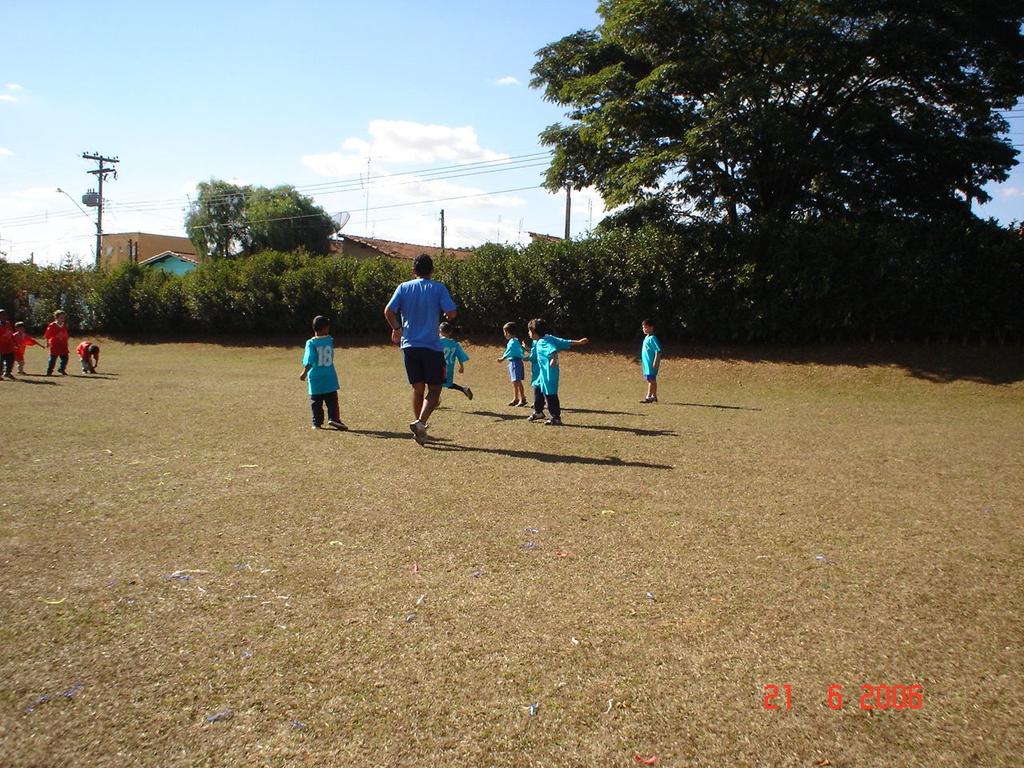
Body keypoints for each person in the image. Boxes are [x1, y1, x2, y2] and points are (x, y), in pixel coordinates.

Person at [384, 254, 457, 445]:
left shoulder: (404, 287)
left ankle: (420, 429)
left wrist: (397, 329)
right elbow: (451, 312)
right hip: (432, 346)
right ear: (432, 270)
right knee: (435, 390)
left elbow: (388, 311)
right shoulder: (438, 288)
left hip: (409, 346)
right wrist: (446, 316)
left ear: (414, 271)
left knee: (418, 389)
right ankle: (421, 422)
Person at [525, 318, 589, 426]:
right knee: (537, 388)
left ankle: (556, 417)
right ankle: (538, 412)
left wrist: (553, 358)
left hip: (550, 373)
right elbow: (563, 342)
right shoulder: (546, 338)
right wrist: (578, 342)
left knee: (550, 394)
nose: (528, 333)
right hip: (542, 373)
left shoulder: (543, 342)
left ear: (534, 332)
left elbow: (551, 349)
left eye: (529, 331)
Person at [299, 315, 347, 431]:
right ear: (325, 328)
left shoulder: (311, 343)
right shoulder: (329, 340)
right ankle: (334, 418)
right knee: (332, 400)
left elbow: (310, 358)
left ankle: (317, 422)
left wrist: (304, 372)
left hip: (316, 378)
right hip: (329, 376)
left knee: (316, 401)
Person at [439, 322, 473, 400]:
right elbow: (460, 355)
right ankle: (463, 389)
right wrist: (461, 366)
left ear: (439, 330)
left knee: (434, 384)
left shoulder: (437, 342)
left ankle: (435, 400)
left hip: (438, 367)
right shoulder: (455, 344)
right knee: (447, 384)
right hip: (449, 369)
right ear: (450, 332)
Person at [497, 321, 527, 406]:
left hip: (515, 362)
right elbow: (520, 349)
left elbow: (509, 351)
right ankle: (516, 398)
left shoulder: (513, 342)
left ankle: (523, 399)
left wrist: (502, 358)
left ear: (507, 332)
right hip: (512, 362)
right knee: (514, 382)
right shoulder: (514, 341)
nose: (504, 334)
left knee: (517, 381)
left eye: (504, 332)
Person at [640, 318, 662, 403]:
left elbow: (658, 350)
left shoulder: (653, 338)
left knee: (650, 379)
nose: (644, 329)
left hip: (651, 363)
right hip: (646, 363)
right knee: (652, 379)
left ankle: (648, 396)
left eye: (646, 327)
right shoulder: (646, 338)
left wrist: (655, 361)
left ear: (651, 327)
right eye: (643, 327)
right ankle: (654, 396)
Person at [43, 310, 70, 376]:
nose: (62, 319)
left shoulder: (64, 325)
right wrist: (47, 343)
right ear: (56, 318)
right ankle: (49, 371)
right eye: (61, 317)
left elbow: (66, 335)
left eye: (63, 317)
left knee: (65, 358)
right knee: (53, 359)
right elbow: (47, 335)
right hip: (55, 344)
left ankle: (61, 369)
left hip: (63, 344)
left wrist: (66, 342)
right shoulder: (52, 325)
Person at [0, 309, 15, 380]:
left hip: (9, 346)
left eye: (5, 315)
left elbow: (11, 334)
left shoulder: (8, 323)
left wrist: (15, 342)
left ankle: (7, 373)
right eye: (2, 315)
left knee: (11, 360)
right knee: (0, 361)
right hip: (1, 347)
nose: (4, 316)